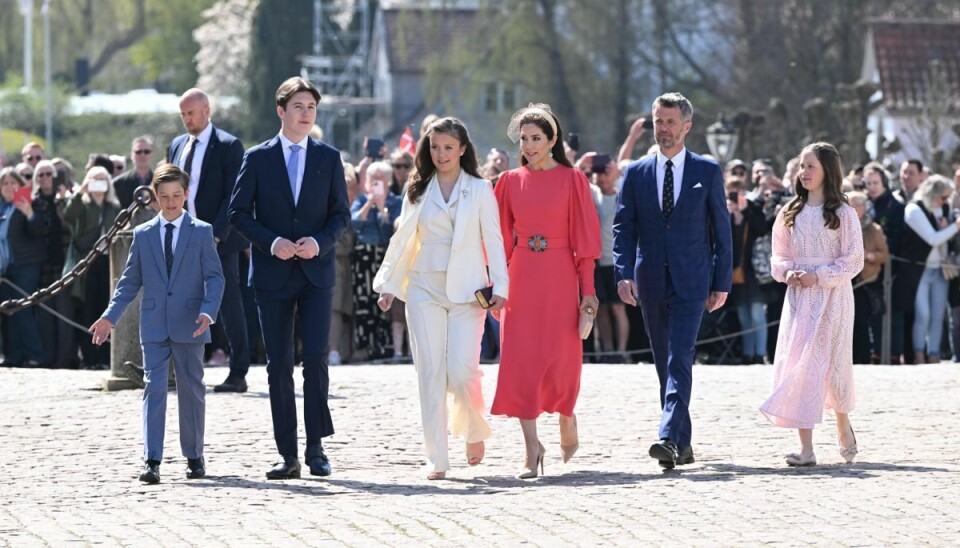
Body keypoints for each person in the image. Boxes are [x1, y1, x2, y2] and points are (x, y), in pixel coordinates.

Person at [228, 76, 350, 480]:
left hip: (316, 272)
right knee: (278, 364)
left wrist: (320, 241)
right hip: (272, 274)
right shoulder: (257, 157)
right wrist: (272, 241)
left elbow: (341, 216)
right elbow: (238, 214)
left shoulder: (329, 158)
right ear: (281, 111)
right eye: (298, 106)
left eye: (311, 108)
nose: (305, 114)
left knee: (315, 359)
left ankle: (316, 448)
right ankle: (288, 454)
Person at [373, 116, 509, 480]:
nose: (441, 154)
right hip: (423, 289)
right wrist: (387, 285)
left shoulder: (480, 189)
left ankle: (473, 429)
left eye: (449, 147)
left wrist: (501, 287)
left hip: (468, 291)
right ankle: (437, 457)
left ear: (463, 149)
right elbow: (401, 242)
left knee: (462, 371)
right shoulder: (418, 188)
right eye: (435, 147)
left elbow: (494, 241)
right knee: (430, 373)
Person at [612, 92, 732, 469]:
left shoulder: (706, 171)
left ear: (686, 126)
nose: (663, 129)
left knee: (681, 356)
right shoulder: (636, 173)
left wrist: (722, 281)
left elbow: (722, 232)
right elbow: (623, 228)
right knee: (665, 362)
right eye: (658, 122)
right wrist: (623, 273)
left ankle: (666, 436)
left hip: (693, 280)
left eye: (670, 122)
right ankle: (683, 442)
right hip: (649, 281)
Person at [90, 164, 225, 484]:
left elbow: (215, 277)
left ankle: (194, 455)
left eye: (177, 195)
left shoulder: (202, 231)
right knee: (153, 389)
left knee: (192, 390)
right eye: (164, 196)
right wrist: (109, 317)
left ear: (186, 194)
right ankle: (152, 459)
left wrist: (209, 311)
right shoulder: (144, 234)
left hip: (192, 323)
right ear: (155, 197)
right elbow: (128, 282)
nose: (171, 201)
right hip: (153, 324)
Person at [490, 104, 601, 479]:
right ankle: (530, 450)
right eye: (524, 139)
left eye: (537, 138)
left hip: (559, 276)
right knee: (520, 361)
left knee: (562, 360)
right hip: (521, 276)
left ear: (553, 140)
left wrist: (588, 293)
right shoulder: (507, 181)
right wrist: (496, 287)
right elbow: (500, 241)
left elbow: (585, 245)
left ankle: (567, 415)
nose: (530, 145)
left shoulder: (573, 182)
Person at [760, 142, 864, 466]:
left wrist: (817, 276)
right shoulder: (789, 212)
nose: (803, 173)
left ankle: (842, 420)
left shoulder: (844, 214)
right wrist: (788, 271)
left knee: (832, 364)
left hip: (833, 298)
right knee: (801, 366)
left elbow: (854, 260)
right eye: (801, 167)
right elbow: (778, 255)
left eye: (810, 167)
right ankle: (806, 448)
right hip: (799, 300)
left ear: (827, 172)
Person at [168, 88, 249, 392]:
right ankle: (177, 368)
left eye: (191, 113)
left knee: (228, 305)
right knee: (178, 302)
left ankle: (238, 371)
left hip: (217, 240)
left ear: (206, 111)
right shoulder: (177, 145)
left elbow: (233, 195)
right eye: (183, 114)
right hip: (181, 237)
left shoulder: (228, 146)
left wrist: (215, 234)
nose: (187, 120)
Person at [894, 175, 959, 364]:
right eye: (943, 197)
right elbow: (932, 238)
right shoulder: (914, 209)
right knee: (923, 314)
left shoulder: (943, 208)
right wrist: (954, 227)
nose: (946, 201)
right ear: (933, 194)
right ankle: (919, 354)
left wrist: (948, 228)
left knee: (938, 315)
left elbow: (944, 239)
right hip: (918, 271)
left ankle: (934, 354)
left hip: (939, 269)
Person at [63, 166, 122, 368]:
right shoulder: (83, 205)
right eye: (94, 179)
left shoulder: (113, 207)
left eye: (102, 179)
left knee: (106, 308)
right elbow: (68, 216)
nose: (98, 183)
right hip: (87, 262)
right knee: (87, 310)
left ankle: (106, 358)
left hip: (108, 262)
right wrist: (82, 192)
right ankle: (89, 358)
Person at [350, 162, 403, 360]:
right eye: (374, 179)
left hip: (385, 255)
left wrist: (382, 210)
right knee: (364, 300)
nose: (377, 182)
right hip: (364, 256)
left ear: (388, 180)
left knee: (386, 300)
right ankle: (367, 347)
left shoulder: (396, 201)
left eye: (381, 178)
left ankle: (387, 347)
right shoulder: (361, 199)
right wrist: (369, 203)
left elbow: (395, 228)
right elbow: (354, 223)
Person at [725, 178, 769, 364]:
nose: (736, 195)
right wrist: (729, 215)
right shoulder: (725, 211)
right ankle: (747, 354)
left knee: (757, 315)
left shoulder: (752, 208)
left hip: (754, 272)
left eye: (739, 190)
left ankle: (759, 354)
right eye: (732, 191)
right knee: (743, 316)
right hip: (735, 272)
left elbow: (762, 228)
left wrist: (746, 211)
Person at [848, 191, 889, 364]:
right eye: (851, 204)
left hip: (866, 282)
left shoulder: (874, 229)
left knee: (862, 322)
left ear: (864, 207)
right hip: (846, 282)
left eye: (857, 204)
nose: (854, 208)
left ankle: (864, 359)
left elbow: (884, 255)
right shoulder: (841, 227)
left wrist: (869, 256)